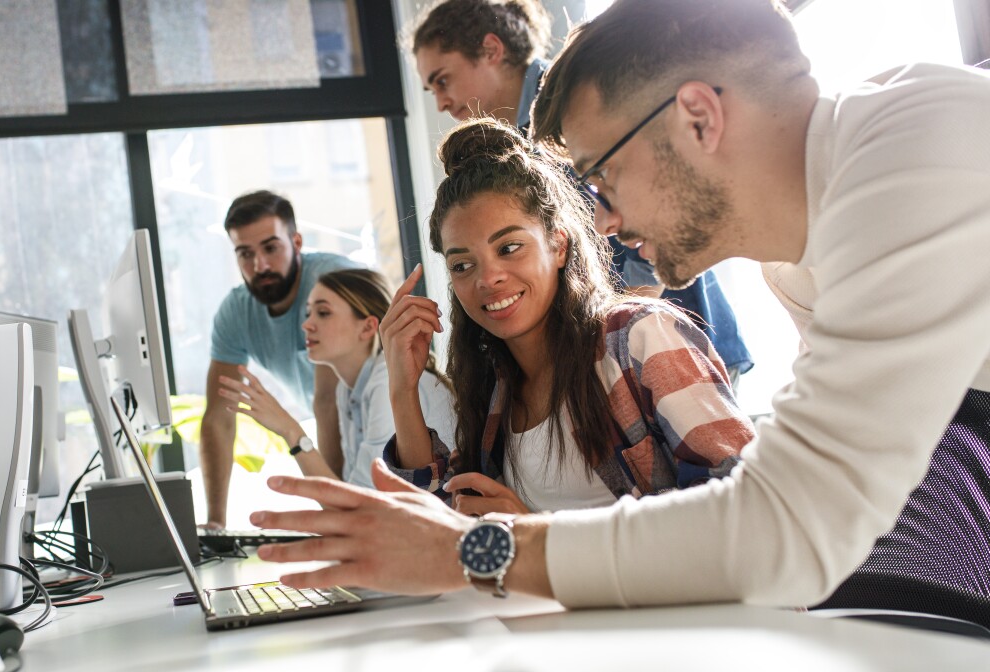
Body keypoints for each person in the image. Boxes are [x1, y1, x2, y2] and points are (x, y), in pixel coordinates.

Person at [249, 0, 990, 614]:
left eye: (601, 177)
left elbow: (785, 526)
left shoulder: (916, 148)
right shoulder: (795, 264)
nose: (599, 219)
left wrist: (471, 550)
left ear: (697, 118)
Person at [379, 118, 753, 516]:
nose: (488, 278)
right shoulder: (494, 387)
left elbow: (742, 505)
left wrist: (536, 536)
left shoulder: (638, 337)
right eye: (462, 265)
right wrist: (403, 388)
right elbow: (440, 524)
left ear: (558, 245)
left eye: (508, 248)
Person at [408, 0, 753, 386]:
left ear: (491, 50)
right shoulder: (517, 145)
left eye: (442, 80)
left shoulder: (573, 112)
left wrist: (616, 339)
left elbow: (658, 216)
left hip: (665, 343)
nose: (440, 102)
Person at [200, 190, 359, 527]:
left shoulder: (329, 284)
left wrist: (336, 515)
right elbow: (218, 418)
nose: (260, 266)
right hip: (334, 435)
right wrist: (216, 524)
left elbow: (327, 403)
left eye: (271, 248)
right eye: (245, 254)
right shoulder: (236, 312)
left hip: (379, 429)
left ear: (297, 241)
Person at [217, 268, 456, 489]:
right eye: (308, 313)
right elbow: (353, 495)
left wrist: (290, 431)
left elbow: (361, 507)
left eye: (323, 313)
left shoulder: (385, 382)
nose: (307, 324)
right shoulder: (347, 390)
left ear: (367, 327)